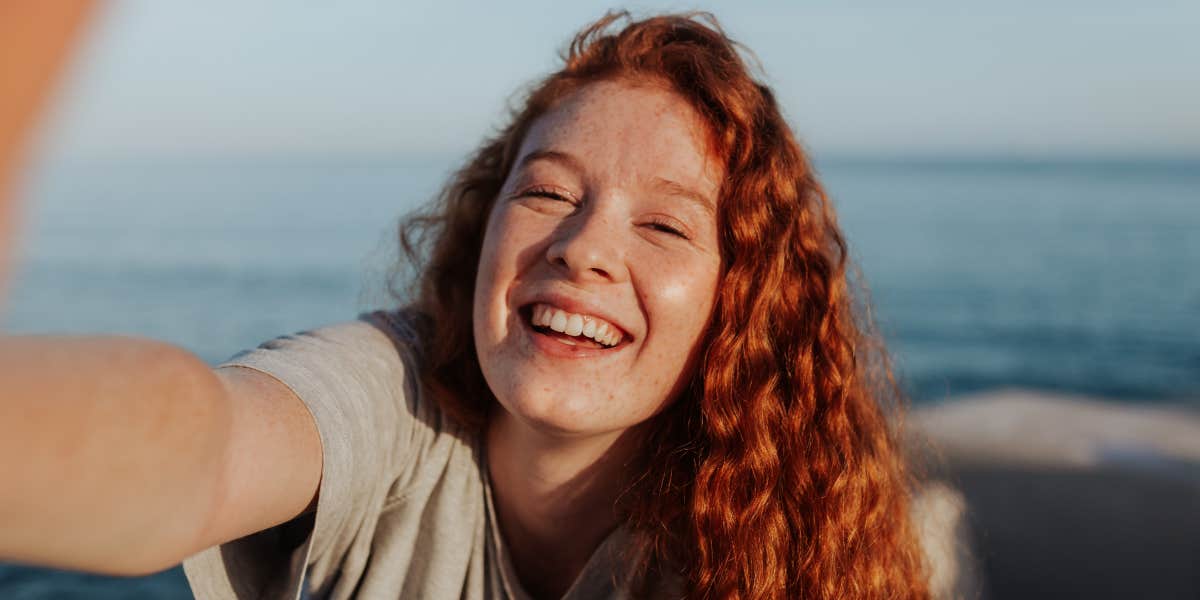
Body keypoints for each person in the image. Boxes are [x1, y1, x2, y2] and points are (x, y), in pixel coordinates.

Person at [0, 12, 929, 600]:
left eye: (666, 227)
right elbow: (202, 450)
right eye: (548, 194)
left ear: (739, 304)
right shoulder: (394, 396)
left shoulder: (770, 538)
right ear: (484, 228)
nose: (584, 247)